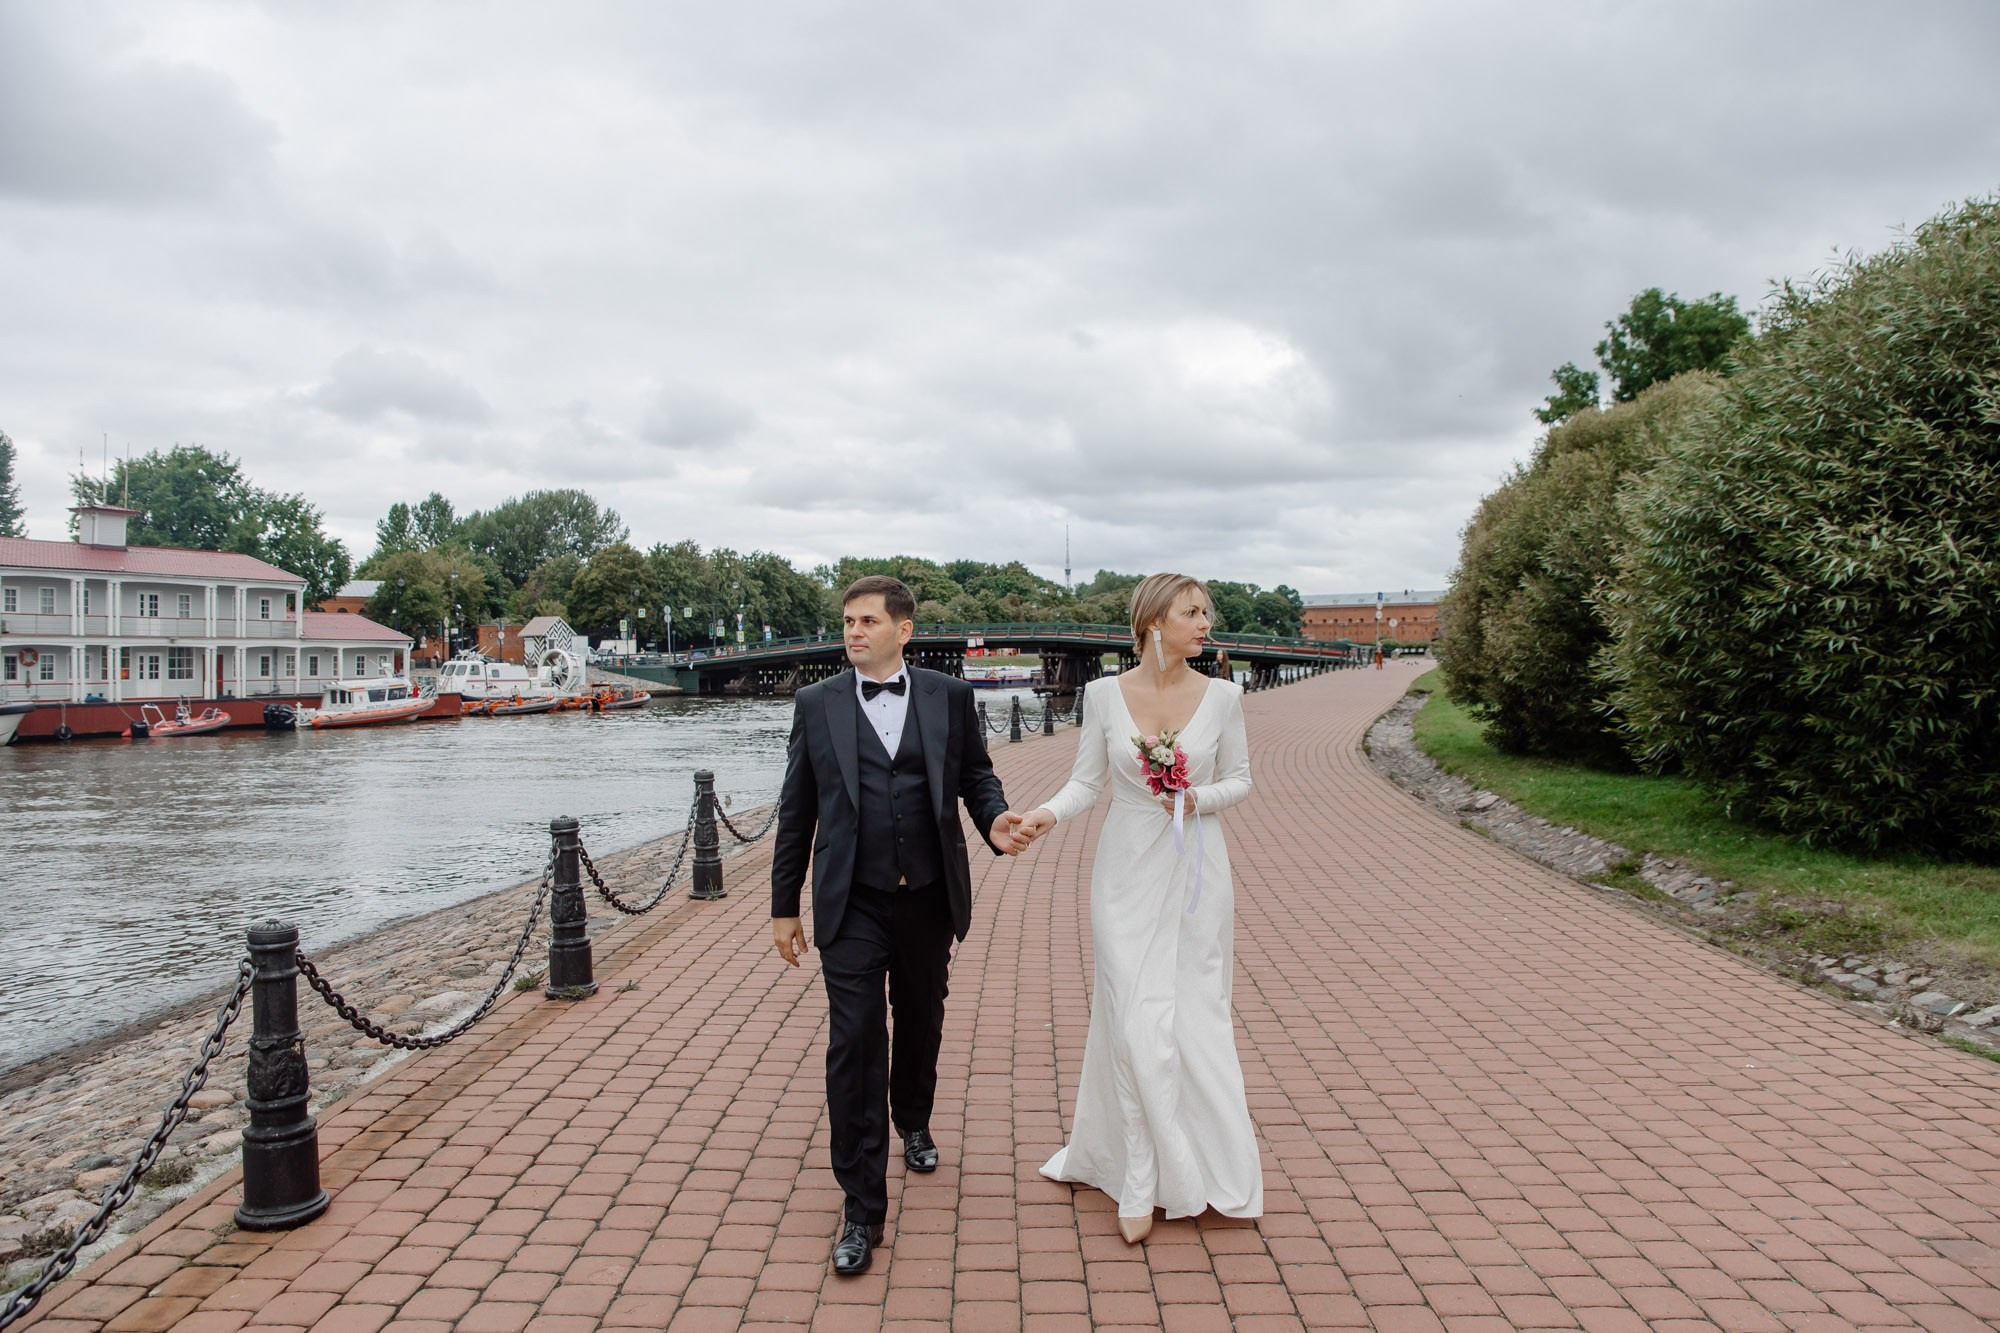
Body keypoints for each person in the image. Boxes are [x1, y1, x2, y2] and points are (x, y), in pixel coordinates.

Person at [771, 575, 1024, 1276]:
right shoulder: (816, 704)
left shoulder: (949, 696)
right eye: (847, 621)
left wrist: (995, 819)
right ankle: (860, 1207)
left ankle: (912, 1118)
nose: (853, 631)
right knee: (854, 1038)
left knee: (920, 1017)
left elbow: (978, 777)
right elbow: (797, 811)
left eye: (867, 621)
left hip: (927, 895)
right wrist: (783, 904)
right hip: (851, 899)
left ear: (903, 630)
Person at [1010, 572, 1261, 1242]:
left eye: (1207, 611)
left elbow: (1240, 779)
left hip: (1197, 872)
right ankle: (1141, 1175)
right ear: (1154, 622)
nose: (1205, 622)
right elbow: (1086, 782)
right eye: (1192, 611)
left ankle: (1207, 1163)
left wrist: (1195, 799)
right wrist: (1043, 815)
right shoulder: (1101, 696)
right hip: (1123, 871)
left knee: (1193, 1012)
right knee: (1130, 1016)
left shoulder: (1225, 697)